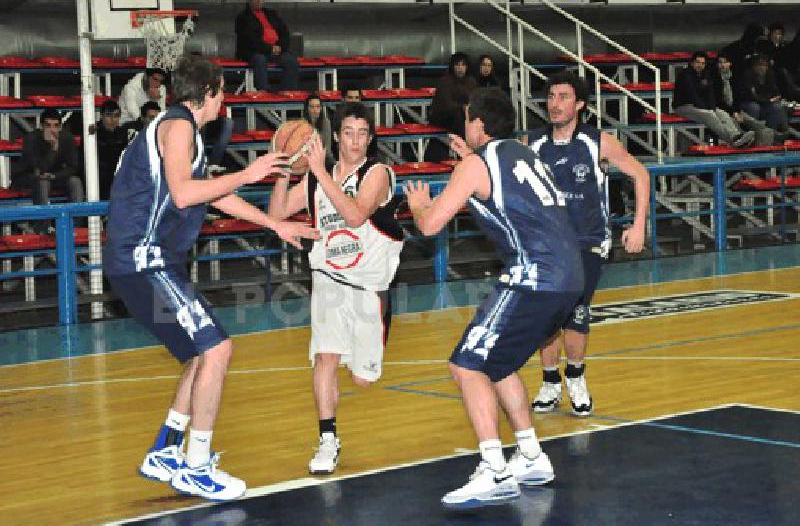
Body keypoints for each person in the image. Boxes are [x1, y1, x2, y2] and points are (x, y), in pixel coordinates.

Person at [103, 54, 319, 501]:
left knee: (201, 357)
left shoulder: (185, 132)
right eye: (223, 91)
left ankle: (167, 449)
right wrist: (252, 171)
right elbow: (184, 193)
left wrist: (273, 223)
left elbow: (214, 196)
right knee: (218, 349)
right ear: (209, 92)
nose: (226, 99)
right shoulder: (179, 126)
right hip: (145, 259)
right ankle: (196, 465)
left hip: (150, 261)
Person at [404, 87, 583, 509]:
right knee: (499, 365)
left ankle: (494, 469)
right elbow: (503, 192)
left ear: (478, 123)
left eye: (468, 118)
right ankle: (531, 456)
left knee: (465, 365)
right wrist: (472, 158)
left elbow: (430, 226)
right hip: (569, 277)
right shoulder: (524, 154)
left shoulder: (474, 165)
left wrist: (416, 205)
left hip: (534, 275)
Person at [268, 101, 404, 476]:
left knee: (362, 379)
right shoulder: (316, 175)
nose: (356, 140)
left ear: (370, 138)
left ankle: (357, 361)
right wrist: (284, 168)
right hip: (328, 280)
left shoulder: (378, 173)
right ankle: (328, 438)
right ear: (337, 136)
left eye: (363, 133)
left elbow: (356, 214)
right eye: (348, 133)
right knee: (325, 359)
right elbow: (277, 214)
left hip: (369, 288)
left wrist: (317, 172)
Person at [523, 71, 649, 416]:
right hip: (546, 246)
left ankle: (575, 377)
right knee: (546, 316)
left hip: (587, 243)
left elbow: (640, 174)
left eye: (563, 97)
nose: (555, 103)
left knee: (574, 312)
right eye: (551, 97)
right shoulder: (532, 144)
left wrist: (638, 225)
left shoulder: (598, 142)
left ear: (579, 104)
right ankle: (550, 381)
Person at [673, 51, 755, 147]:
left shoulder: (706, 75)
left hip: (700, 106)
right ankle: (733, 140)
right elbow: (692, 95)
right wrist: (707, 109)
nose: (700, 65)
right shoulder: (685, 75)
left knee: (722, 113)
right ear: (692, 63)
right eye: (697, 62)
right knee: (709, 115)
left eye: (703, 63)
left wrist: (712, 107)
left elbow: (710, 94)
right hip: (683, 107)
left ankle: (736, 135)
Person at [12, 108, 84, 212]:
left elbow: (73, 167)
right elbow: (38, 169)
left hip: (54, 176)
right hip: (28, 176)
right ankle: (43, 225)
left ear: (60, 127)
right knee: (42, 182)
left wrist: (55, 176)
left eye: (56, 126)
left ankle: (75, 225)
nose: (52, 129)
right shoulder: (31, 139)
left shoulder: (67, 138)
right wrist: (53, 149)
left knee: (75, 181)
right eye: (48, 125)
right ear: (41, 126)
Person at [235, 0, 299, 92]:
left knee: (291, 61)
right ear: (248, 0)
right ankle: (263, 91)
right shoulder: (242, 18)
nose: (258, 0)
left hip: (277, 49)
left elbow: (285, 33)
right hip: (255, 51)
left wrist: (280, 47)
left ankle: (288, 91)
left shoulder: (272, 14)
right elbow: (250, 40)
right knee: (260, 60)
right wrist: (270, 48)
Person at [711, 54, 775, 146]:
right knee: (732, 119)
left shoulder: (734, 78)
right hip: (721, 109)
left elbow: (737, 97)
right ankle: (741, 140)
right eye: (720, 62)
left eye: (725, 62)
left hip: (734, 109)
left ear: (730, 64)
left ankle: (763, 143)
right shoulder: (714, 79)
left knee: (757, 125)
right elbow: (718, 101)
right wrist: (734, 112)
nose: (722, 65)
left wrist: (737, 111)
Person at [738, 53, 792, 136]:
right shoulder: (747, 75)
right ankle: (753, 134)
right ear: (754, 66)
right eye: (759, 65)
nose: (762, 68)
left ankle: (771, 133)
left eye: (764, 65)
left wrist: (774, 98)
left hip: (765, 103)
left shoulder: (770, 74)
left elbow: (776, 92)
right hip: (748, 103)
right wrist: (769, 99)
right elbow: (752, 96)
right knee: (754, 107)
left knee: (777, 107)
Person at [429, 52, 477, 137]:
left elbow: (474, 100)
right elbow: (446, 105)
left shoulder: (471, 81)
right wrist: (463, 108)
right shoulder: (445, 81)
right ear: (453, 66)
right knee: (458, 117)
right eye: (457, 65)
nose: (460, 68)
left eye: (463, 65)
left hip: (464, 115)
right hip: (444, 116)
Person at [95, 100, 128, 199]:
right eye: (109, 115)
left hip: (117, 175)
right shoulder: (93, 133)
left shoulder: (122, 133)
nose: (113, 120)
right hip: (99, 176)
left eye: (116, 116)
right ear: (101, 116)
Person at [303, 93, 334, 167]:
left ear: (321, 108)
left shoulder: (325, 123)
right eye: (312, 107)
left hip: (324, 159)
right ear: (307, 109)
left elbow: (327, 149)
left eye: (317, 107)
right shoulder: (302, 124)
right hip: (306, 160)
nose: (315, 110)